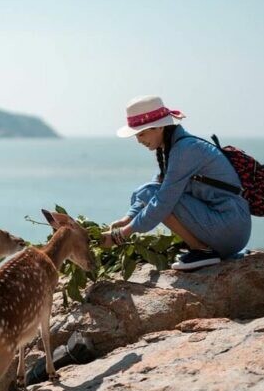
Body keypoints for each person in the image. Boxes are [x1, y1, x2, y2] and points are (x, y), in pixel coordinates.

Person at [101, 96, 251, 270]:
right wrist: (126, 219)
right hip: (228, 229)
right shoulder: (176, 148)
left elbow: (161, 201)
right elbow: (150, 189)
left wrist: (122, 235)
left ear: (159, 127)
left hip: (230, 230)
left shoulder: (185, 150)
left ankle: (202, 250)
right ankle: (202, 248)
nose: (138, 140)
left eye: (141, 133)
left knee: (158, 198)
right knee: (149, 191)